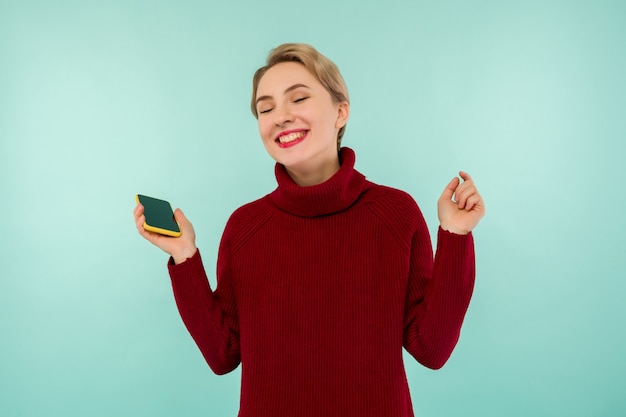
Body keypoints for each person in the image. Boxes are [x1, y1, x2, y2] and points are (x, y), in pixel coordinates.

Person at [134, 43, 485, 417]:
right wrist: (184, 256)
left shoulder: (396, 215)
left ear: (341, 111)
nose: (280, 116)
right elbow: (223, 355)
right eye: (265, 108)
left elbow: (432, 350)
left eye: (298, 99)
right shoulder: (245, 228)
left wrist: (456, 235)